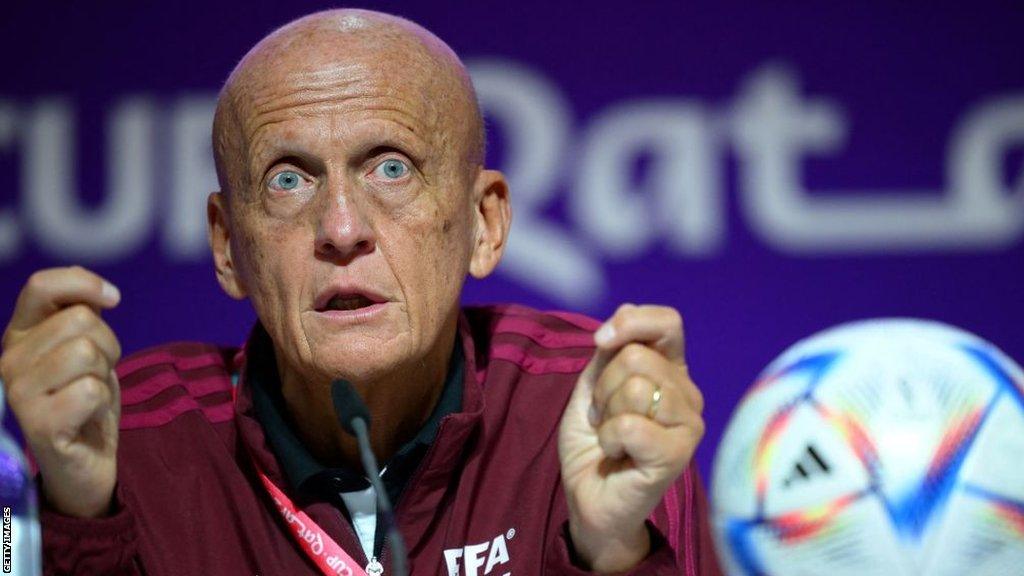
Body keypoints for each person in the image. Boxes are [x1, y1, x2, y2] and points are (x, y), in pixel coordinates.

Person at [0, 9, 721, 575]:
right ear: (228, 247)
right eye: (288, 179)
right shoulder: (128, 443)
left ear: (483, 223)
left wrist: (609, 553)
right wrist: (74, 521)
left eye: (391, 169)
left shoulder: (587, 412)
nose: (341, 228)